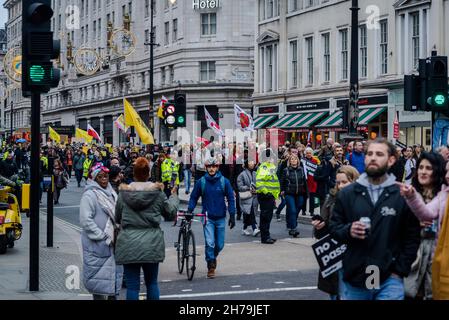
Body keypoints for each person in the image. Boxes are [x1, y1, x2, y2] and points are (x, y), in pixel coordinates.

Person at [329, 138, 421, 300]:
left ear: (391, 160)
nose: (373, 158)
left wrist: (399, 270)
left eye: (379, 154)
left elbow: (412, 237)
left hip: (388, 278)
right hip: (355, 275)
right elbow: (335, 228)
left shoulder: (400, 196)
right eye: (369, 154)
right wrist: (348, 230)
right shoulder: (347, 194)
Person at [115, 157, 179, 300]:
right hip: (151, 243)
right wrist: (174, 196)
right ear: (148, 173)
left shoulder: (123, 194)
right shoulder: (158, 194)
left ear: (134, 174)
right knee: (151, 283)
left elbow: (117, 217)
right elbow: (170, 213)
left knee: (132, 286)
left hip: (129, 242)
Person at [398, 158, 449, 300]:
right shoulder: (409, 191)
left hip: (436, 255)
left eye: (428, 168)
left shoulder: (442, 194)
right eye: (421, 167)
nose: (423, 172)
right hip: (414, 255)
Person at [312, 165, 360, 300]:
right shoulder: (331, 199)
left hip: (355, 255)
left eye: (345, 182)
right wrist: (320, 227)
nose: (340, 186)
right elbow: (320, 234)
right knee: (335, 294)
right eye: (338, 182)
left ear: (354, 181)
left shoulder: (363, 200)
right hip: (334, 255)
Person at [79, 163, 123, 300]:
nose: (104, 179)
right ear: (94, 178)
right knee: (97, 282)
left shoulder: (112, 192)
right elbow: (86, 220)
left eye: (106, 176)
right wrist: (102, 236)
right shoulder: (89, 195)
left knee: (112, 279)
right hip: (97, 245)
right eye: (100, 177)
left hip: (113, 243)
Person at [188, 157, 236, 279]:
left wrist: (232, 214)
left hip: (220, 217)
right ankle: (211, 266)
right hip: (207, 217)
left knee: (219, 245)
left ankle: (212, 257)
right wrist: (190, 210)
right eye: (209, 167)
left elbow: (231, 198)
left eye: (214, 166)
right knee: (210, 243)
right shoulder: (201, 182)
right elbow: (194, 197)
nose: (211, 169)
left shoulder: (224, 181)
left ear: (217, 167)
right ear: (206, 168)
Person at [256, 149, 280, 244]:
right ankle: (265, 237)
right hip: (265, 195)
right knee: (265, 216)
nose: (272, 159)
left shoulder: (270, 167)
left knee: (268, 216)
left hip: (270, 195)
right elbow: (260, 182)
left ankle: (266, 235)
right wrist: (267, 192)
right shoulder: (264, 167)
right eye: (271, 157)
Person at [280, 154, 307, 238]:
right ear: (290, 161)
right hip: (289, 193)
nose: (294, 160)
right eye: (292, 159)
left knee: (298, 207)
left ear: (297, 161)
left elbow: (304, 182)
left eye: (295, 159)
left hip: (300, 193)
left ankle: (292, 221)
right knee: (292, 210)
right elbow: (282, 181)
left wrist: (307, 193)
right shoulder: (286, 170)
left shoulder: (301, 170)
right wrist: (282, 190)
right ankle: (293, 228)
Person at [237, 159, 260, 237]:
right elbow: (240, 186)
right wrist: (248, 188)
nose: (252, 164)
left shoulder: (255, 173)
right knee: (250, 211)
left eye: (253, 162)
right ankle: (254, 228)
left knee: (248, 213)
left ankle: (244, 228)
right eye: (250, 162)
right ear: (246, 164)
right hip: (246, 196)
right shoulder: (242, 174)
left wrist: (256, 189)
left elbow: (258, 184)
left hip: (254, 196)